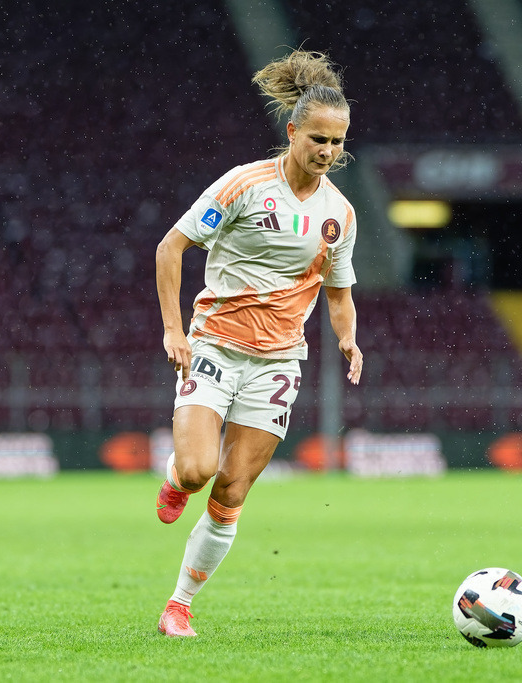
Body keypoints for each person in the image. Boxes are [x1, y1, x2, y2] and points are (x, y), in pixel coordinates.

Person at [153, 49, 363, 637]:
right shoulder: (244, 185)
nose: (327, 152)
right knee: (197, 472)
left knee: (231, 491)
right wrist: (173, 328)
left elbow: (339, 293)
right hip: (215, 346)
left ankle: (179, 605)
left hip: (277, 363)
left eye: (337, 142)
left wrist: (348, 340)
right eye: (317, 139)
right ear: (293, 131)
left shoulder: (339, 215)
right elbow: (171, 249)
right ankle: (174, 479)